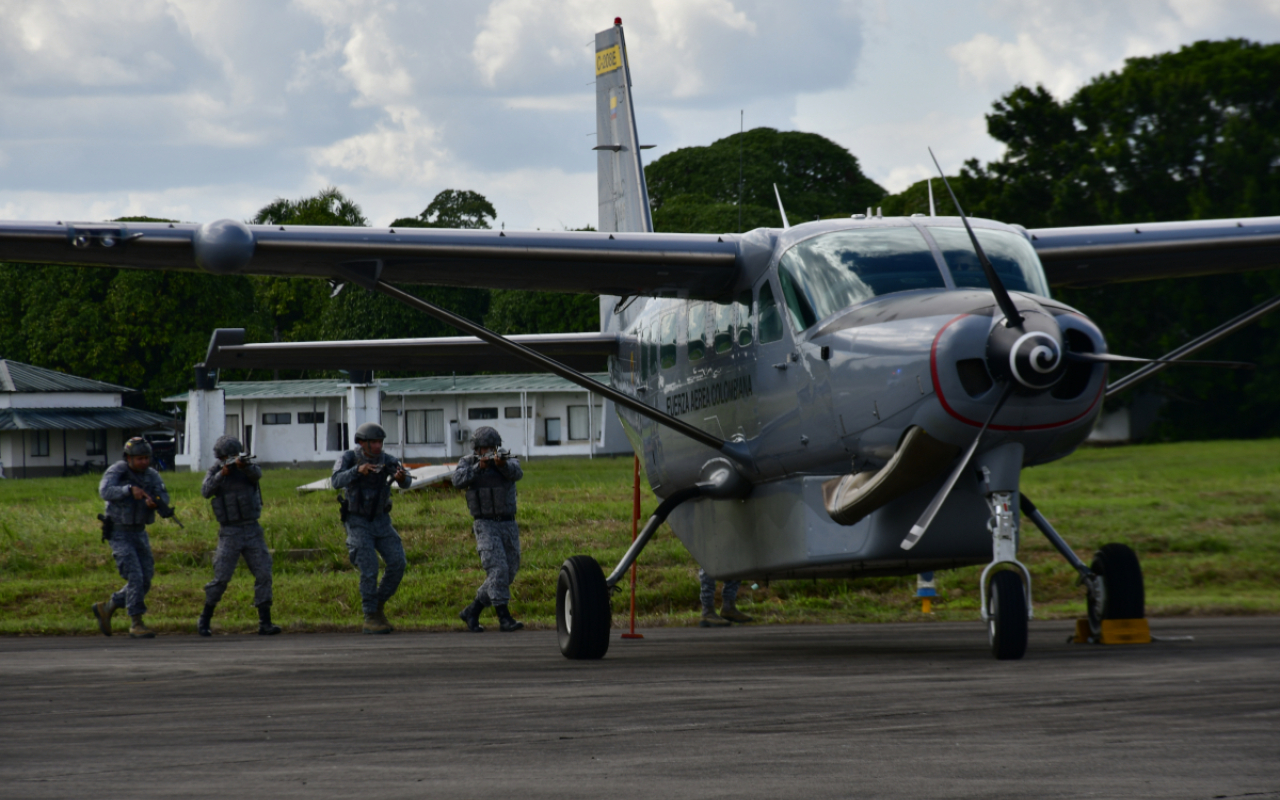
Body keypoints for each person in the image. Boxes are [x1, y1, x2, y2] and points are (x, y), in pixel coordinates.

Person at [331, 422, 412, 634]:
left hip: (381, 521)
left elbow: (406, 480)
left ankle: (378, 605)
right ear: (362, 443)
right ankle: (370, 615)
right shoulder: (349, 457)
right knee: (369, 568)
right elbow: (336, 480)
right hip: (357, 522)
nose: (378, 446)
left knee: (398, 562)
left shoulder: (387, 460)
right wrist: (358, 471)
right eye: (373, 442)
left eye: (380, 442)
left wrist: (402, 478)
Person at [197, 435, 281, 637]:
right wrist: (221, 474)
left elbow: (257, 475)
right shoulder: (215, 471)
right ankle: (205, 619)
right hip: (230, 532)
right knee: (222, 577)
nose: (234, 459)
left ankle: (265, 622)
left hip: (252, 529)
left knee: (263, 573)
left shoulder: (248, 468)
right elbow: (206, 491)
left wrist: (243, 466)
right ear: (221, 457)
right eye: (229, 456)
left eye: (235, 455)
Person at [92, 436, 171, 638]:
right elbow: (104, 490)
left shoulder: (152, 475)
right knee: (135, 576)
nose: (143, 462)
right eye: (139, 458)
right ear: (128, 458)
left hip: (139, 531)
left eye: (146, 458)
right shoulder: (117, 471)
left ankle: (109, 606)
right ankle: (136, 622)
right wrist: (128, 490)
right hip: (119, 532)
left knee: (145, 580)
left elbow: (164, 495)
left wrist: (156, 502)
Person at [452, 427, 524, 633]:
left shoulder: (507, 459)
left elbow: (517, 473)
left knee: (508, 571)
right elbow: (456, 481)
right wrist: (478, 468)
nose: (489, 451)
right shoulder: (467, 462)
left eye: (492, 447)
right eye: (485, 448)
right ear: (477, 449)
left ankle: (472, 611)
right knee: (497, 569)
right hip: (485, 524)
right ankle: (504, 617)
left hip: (508, 523)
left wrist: (501, 465)